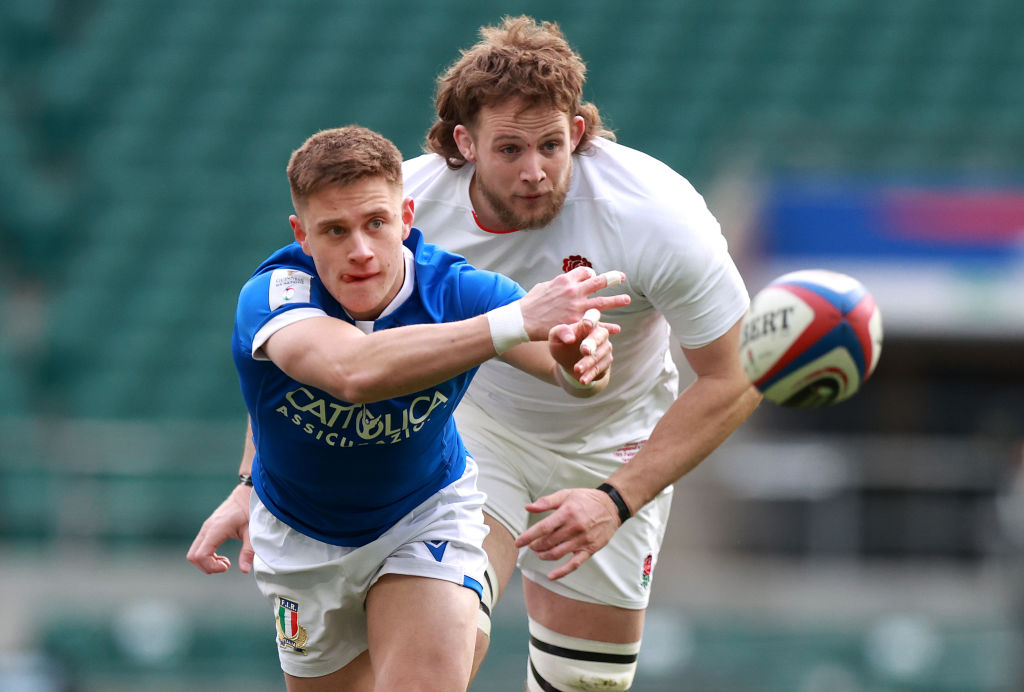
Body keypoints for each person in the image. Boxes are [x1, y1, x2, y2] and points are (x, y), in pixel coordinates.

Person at [186, 124, 630, 692]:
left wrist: (581, 359)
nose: (361, 251)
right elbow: (352, 373)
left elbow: (572, 375)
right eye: (335, 231)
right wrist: (247, 483)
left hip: (424, 516)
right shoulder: (275, 296)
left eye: (376, 223)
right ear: (302, 235)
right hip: (300, 536)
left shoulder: (458, 291)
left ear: (407, 216)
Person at [399, 16, 763, 691]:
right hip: (474, 431)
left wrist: (614, 501)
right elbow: (323, 337)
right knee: (435, 661)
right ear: (464, 143)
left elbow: (736, 375)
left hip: (615, 444)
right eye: (508, 149)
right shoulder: (405, 210)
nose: (534, 171)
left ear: (580, 133)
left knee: (585, 686)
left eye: (551, 144)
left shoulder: (656, 216)